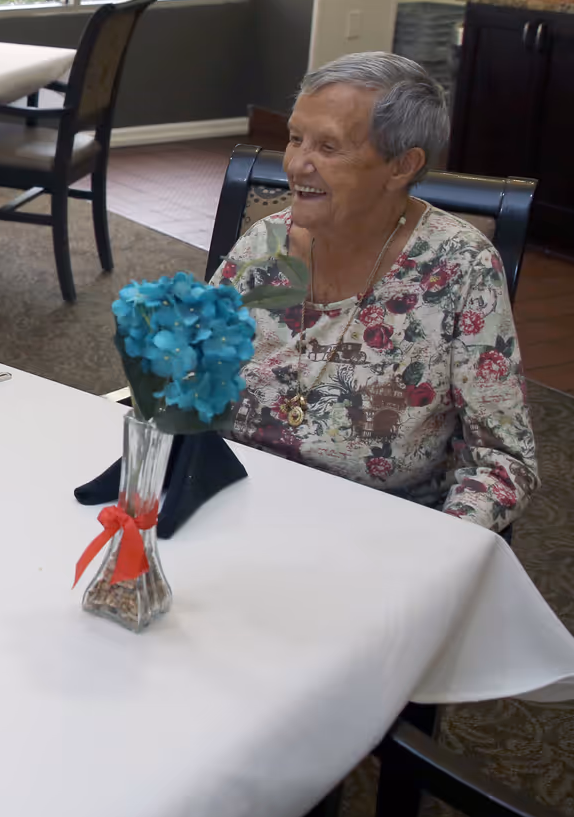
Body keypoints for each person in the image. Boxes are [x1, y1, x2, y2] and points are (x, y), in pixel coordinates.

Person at [211, 53, 537, 530]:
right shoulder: (265, 244)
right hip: (231, 505)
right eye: (295, 138)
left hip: (376, 532)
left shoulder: (460, 268)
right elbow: (187, 376)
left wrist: (438, 549)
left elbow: (503, 460)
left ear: (403, 165)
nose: (297, 164)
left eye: (328, 147)